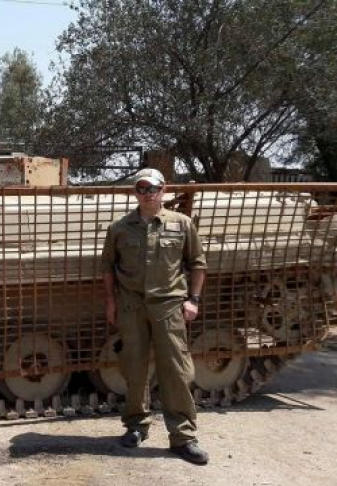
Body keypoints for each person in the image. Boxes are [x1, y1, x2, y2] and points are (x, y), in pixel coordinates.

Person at [100, 168, 209, 465]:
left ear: (164, 190)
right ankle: (137, 425)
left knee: (176, 371)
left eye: (153, 188)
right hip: (132, 306)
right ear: (135, 192)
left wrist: (194, 300)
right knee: (134, 369)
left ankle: (183, 437)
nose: (148, 194)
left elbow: (198, 264)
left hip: (169, 306)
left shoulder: (181, 223)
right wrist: (110, 302)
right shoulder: (120, 228)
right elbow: (107, 267)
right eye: (142, 188)